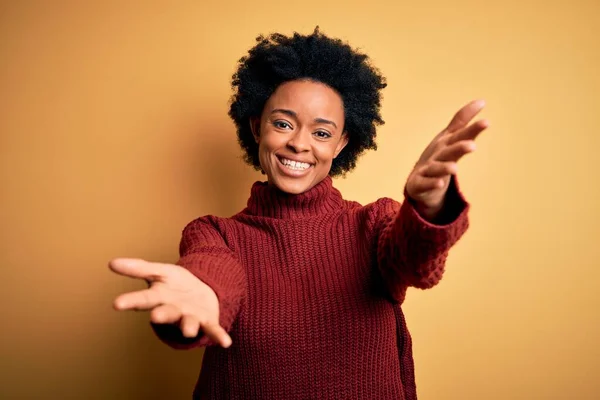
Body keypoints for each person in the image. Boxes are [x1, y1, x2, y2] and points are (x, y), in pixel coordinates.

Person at [109, 27, 489, 399]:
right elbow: (212, 267)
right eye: (283, 124)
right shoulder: (215, 233)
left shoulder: (371, 226)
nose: (298, 144)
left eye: (321, 133)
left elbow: (414, 257)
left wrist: (427, 205)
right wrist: (204, 294)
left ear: (342, 143)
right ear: (257, 127)